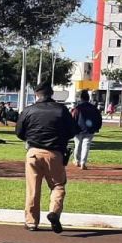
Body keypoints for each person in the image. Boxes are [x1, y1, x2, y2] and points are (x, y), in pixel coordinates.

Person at [16, 82, 78, 233]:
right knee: (58, 185)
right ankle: (54, 212)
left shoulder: (28, 110)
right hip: (54, 153)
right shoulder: (61, 110)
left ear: (36, 94)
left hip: (33, 152)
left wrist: (31, 138)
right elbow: (72, 131)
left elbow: (19, 132)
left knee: (33, 189)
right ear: (51, 93)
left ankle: (31, 222)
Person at [70, 90, 102, 169]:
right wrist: (97, 128)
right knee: (86, 146)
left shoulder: (77, 108)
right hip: (90, 130)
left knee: (78, 145)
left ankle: (77, 160)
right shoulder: (93, 108)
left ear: (81, 98)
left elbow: (73, 118)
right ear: (88, 98)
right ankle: (83, 162)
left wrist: (72, 128)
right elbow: (99, 119)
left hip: (78, 130)